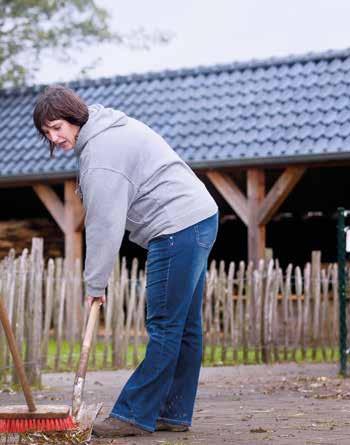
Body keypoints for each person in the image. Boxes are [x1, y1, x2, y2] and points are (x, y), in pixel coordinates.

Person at [33, 85, 219, 438]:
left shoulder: (101, 154)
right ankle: (174, 412)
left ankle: (134, 414)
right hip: (198, 218)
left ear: (74, 117)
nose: (54, 137)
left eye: (57, 127)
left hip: (177, 227)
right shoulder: (105, 128)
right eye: (47, 132)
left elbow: (104, 224)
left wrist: (95, 284)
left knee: (166, 325)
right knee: (185, 327)